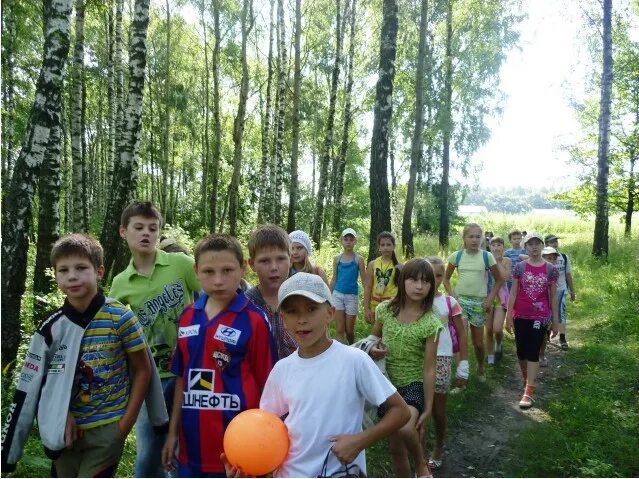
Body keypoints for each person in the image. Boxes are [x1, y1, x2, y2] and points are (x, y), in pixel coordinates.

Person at [1, 233, 161, 477]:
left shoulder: (121, 318)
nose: (72, 276)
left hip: (108, 431)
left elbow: (142, 369)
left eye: (81, 268)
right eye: (63, 270)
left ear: (99, 271)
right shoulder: (51, 329)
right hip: (63, 434)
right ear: (55, 275)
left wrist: (123, 425)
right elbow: (30, 388)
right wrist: (56, 416)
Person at [256, 272, 410, 478]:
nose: (302, 320)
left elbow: (401, 411)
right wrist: (255, 466)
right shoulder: (282, 370)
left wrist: (360, 441)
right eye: (292, 312)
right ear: (283, 319)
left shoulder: (354, 361)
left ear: (330, 313)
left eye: (311, 309)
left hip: (342, 472)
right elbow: (266, 428)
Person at [161, 234, 277, 477]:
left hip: (238, 454)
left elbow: (269, 387)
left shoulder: (254, 320)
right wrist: (172, 434)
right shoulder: (187, 317)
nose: (218, 280)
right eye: (208, 271)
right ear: (196, 271)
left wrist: (265, 448)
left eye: (227, 270)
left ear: (243, 268)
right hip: (191, 452)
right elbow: (182, 378)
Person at [109, 201, 201, 478]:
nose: (146, 233)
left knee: (189, 442)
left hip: (191, 369)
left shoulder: (181, 264)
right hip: (152, 376)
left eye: (153, 227)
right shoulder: (121, 283)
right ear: (124, 232)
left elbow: (213, 298)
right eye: (138, 228)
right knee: (150, 452)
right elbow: (113, 331)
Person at [370, 258, 442, 478]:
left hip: (413, 384)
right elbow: (373, 338)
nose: (419, 286)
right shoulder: (384, 310)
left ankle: (421, 465)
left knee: (404, 427)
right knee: (396, 449)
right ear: (402, 281)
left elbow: (430, 369)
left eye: (425, 281)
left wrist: (428, 408)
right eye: (413, 280)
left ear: (432, 286)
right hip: (386, 385)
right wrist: (374, 348)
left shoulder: (431, 322)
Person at [423, 256, 468, 470]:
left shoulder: (449, 302)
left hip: (442, 357)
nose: (434, 279)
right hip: (417, 358)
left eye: (439, 275)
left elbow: (461, 331)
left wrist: (463, 364)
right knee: (419, 407)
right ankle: (418, 450)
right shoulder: (414, 301)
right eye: (429, 275)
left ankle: (439, 445)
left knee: (438, 411)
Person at [443, 223, 503, 380]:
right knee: (461, 339)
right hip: (461, 302)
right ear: (464, 238)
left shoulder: (486, 256)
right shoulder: (457, 256)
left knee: (478, 343)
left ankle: (481, 366)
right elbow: (445, 278)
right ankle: (462, 376)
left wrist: (490, 299)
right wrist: (452, 295)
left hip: (479, 303)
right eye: (471, 236)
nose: (475, 240)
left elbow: (499, 280)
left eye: (478, 236)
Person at [506, 232, 559, 409]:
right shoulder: (519, 267)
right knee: (521, 352)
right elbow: (513, 292)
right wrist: (508, 316)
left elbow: (553, 296)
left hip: (540, 316)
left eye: (537, 243)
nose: (534, 247)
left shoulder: (551, 269)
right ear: (525, 247)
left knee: (533, 351)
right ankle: (526, 378)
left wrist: (555, 320)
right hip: (520, 315)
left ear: (542, 246)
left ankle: (529, 391)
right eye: (530, 244)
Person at [245, 224, 298, 359]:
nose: (274, 267)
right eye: (264, 261)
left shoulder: (303, 300)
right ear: (252, 264)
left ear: (291, 260)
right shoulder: (245, 306)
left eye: (281, 259)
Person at [330, 228, 366, 344]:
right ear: (342, 241)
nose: (348, 242)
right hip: (337, 295)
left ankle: (353, 348)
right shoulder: (337, 259)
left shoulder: (359, 259)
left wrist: (367, 299)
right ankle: (339, 355)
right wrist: (328, 297)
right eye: (346, 239)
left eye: (351, 239)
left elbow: (364, 281)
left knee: (349, 330)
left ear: (355, 241)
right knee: (340, 329)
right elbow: (334, 279)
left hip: (352, 296)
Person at [545, 234, 575, 350]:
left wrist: (572, 290)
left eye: (556, 241)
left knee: (561, 313)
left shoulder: (564, 257)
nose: (555, 243)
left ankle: (562, 338)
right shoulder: (543, 257)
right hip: (545, 291)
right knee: (547, 313)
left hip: (561, 289)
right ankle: (546, 336)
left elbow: (568, 274)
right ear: (546, 243)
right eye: (552, 242)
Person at [363, 231, 401, 325]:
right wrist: (366, 309)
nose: (386, 247)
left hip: (392, 306)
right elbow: (368, 287)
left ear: (393, 246)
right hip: (375, 305)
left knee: (389, 334)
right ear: (379, 247)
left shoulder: (399, 266)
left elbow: (402, 289)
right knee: (376, 335)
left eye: (388, 244)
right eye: (382, 245)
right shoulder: (372, 264)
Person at [486, 236, 512, 364]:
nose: (496, 248)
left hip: (501, 297)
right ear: (489, 247)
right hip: (487, 297)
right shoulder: (485, 259)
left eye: (499, 245)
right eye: (493, 245)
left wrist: (496, 261)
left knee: (497, 328)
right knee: (489, 329)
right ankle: (490, 356)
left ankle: (499, 343)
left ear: (503, 247)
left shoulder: (506, 260)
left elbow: (505, 277)